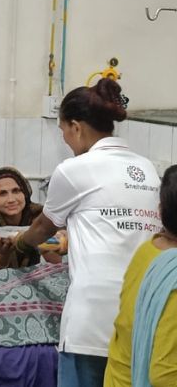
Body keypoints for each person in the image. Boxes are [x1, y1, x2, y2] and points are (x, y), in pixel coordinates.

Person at [12, 78, 161, 387]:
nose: (65, 139)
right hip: (141, 317)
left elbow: (44, 226)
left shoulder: (74, 169)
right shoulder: (147, 169)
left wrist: (19, 243)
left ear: (76, 127)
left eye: (63, 131)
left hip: (92, 318)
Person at [105, 164, 177, 387]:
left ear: (160, 210)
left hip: (117, 376)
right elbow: (164, 375)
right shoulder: (173, 275)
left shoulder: (148, 250)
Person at [0, 166, 63, 273]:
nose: (11, 199)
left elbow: (57, 264)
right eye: (2, 193)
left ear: (25, 194)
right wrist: (3, 254)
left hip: (29, 285)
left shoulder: (37, 220)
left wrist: (40, 238)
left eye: (16, 191)